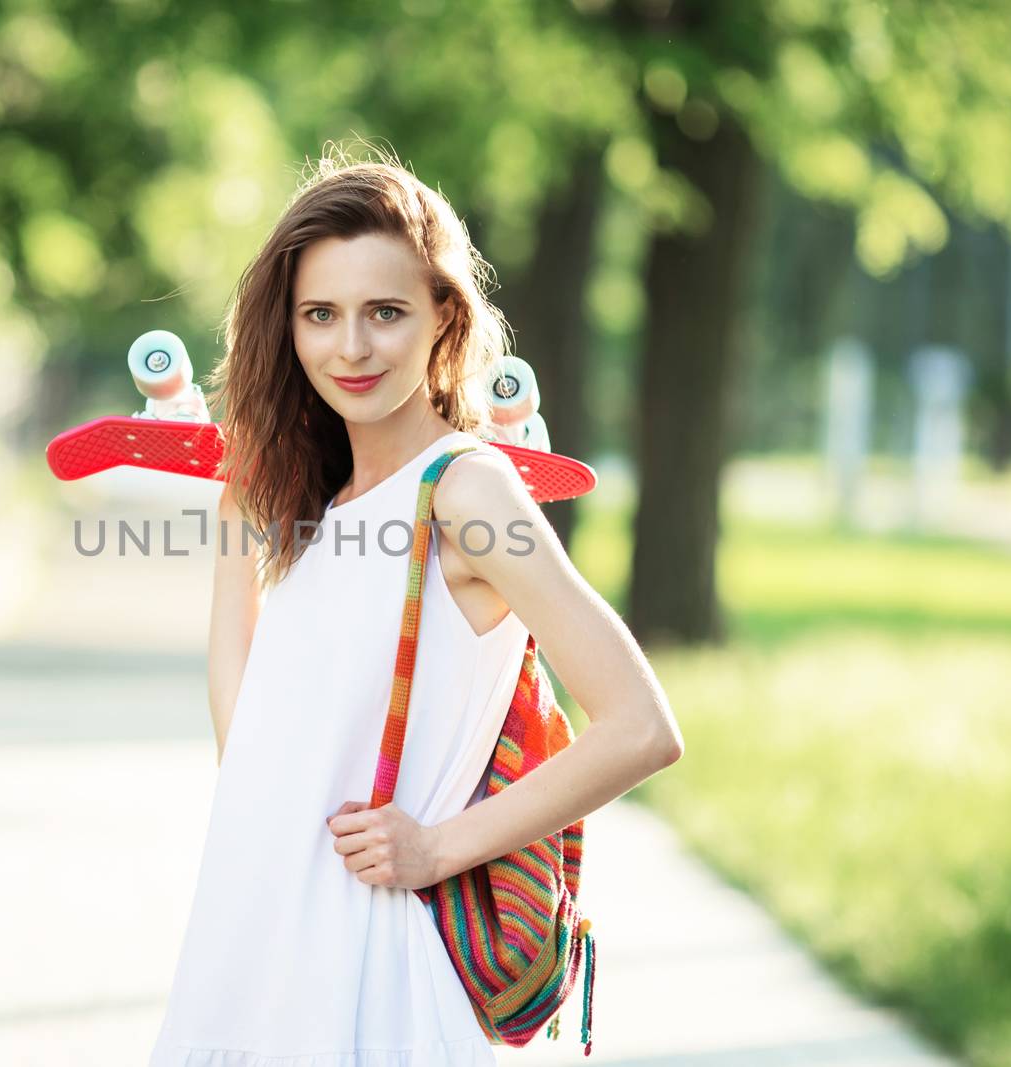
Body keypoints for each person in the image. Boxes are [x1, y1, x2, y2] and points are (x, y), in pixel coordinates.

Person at [147, 147, 684, 1066]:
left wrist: (437, 848)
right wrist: (240, 515)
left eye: (384, 313)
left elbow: (641, 724)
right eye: (320, 315)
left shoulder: (468, 494)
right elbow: (255, 752)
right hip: (255, 957)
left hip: (376, 979)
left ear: (444, 315)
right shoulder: (320, 511)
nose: (350, 348)